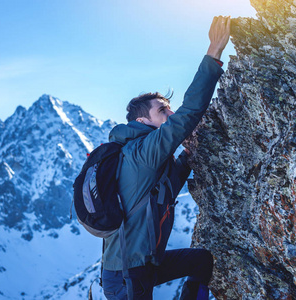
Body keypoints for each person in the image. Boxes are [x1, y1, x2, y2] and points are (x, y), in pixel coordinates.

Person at [101, 16, 231, 300]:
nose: (170, 114)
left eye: (168, 109)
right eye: (163, 111)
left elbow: (168, 183)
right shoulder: (142, 151)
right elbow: (188, 115)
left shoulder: (144, 156)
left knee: (201, 261)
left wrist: (190, 156)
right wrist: (214, 53)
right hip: (126, 276)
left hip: (140, 267)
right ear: (142, 119)